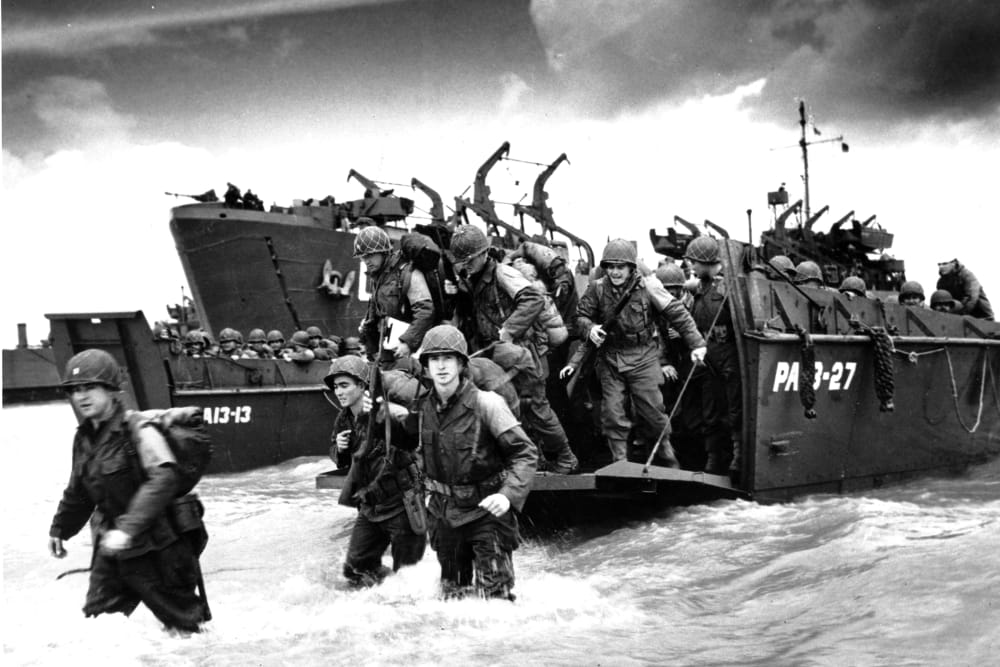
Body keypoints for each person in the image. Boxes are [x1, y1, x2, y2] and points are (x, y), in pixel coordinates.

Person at [48, 350, 209, 632]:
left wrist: (127, 529)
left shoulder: (138, 429)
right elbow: (79, 491)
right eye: (74, 390)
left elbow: (164, 478)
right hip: (112, 549)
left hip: (160, 547)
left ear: (111, 390)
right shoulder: (83, 438)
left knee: (186, 630)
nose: (81, 396)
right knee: (98, 625)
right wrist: (60, 529)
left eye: (90, 387)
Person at [404, 325, 537, 600]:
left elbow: (524, 453)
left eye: (448, 358)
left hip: (487, 512)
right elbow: (409, 451)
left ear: (461, 364)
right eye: (434, 359)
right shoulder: (422, 408)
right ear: (426, 366)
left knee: (495, 600)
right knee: (453, 597)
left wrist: (508, 495)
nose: (441, 366)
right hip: (444, 515)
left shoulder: (488, 404)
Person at [448, 225, 578, 474]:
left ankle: (566, 457)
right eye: (462, 262)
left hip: (522, 352)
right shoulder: (472, 279)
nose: (466, 266)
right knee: (511, 409)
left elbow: (533, 299)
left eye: (470, 260)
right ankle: (534, 459)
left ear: (483, 254)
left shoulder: (502, 273)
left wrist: (508, 330)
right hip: (496, 354)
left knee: (536, 409)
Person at [566, 239, 706, 465]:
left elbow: (677, 313)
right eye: (611, 267)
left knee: (653, 413)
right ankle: (619, 461)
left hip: (643, 355)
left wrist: (697, 344)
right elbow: (580, 316)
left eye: (620, 267)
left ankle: (665, 455)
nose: (615, 272)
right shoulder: (597, 288)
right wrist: (590, 328)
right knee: (612, 414)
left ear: (631, 267)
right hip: (611, 357)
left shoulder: (649, 286)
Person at [325, 356, 426, 585]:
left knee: (410, 577)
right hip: (370, 506)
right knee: (355, 570)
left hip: (402, 503)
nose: (338, 392)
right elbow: (341, 460)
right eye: (336, 387)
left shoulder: (387, 411)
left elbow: (411, 440)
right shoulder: (344, 418)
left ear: (362, 386)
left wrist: (382, 418)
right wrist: (339, 449)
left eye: (344, 385)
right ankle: (383, 591)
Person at [686, 236, 742, 475]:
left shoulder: (729, 286)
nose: (691, 266)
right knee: (710, 408)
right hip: (708, 355)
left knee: (734, 407)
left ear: (706, 261)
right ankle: (714, 456)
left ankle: (739, 455)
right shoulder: (701, 287)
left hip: (729, 353)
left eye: (694, 262)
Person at [354, 226, 437, 366]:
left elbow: (425, 311)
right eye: (363, 257)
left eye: (369, 255)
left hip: (410, 352)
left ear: (383, 252)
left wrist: (407, 343)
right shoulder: (378, 277)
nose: (366, 260)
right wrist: (370, 348)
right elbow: (374, 315)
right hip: (388, 350)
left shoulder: (406, 272)